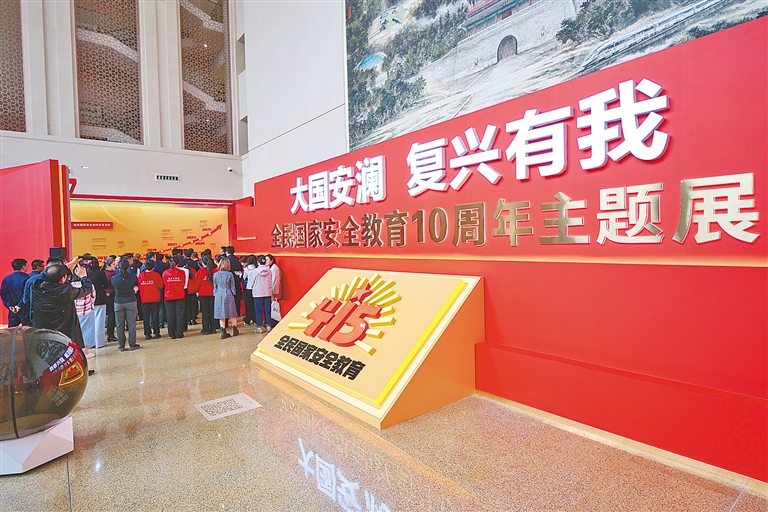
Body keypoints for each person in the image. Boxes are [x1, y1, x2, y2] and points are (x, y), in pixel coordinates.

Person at [30, 262, 95, 374]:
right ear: (62, 279)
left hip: (42, 326)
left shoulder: (35, 287)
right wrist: (84, 276)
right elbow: (87, 289)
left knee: (48, 353)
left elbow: (48, 276)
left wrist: (67, 265)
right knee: (69, 351)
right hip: (63, 326)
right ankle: (75, 372)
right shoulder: (65, 291)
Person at [111, 259, 140, 351]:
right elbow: (136, 285)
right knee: (131, 324)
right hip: (131, 301)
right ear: (128, 267)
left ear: (118, 267)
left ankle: (121, 346)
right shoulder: (133, 277)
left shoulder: (114, 278)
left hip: (118, 302)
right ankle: (132, 344)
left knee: (119, 325)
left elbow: (113, 287)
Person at [85, 255, 109, 349]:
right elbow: (106, 285)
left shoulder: (84, 274)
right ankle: (99, 342)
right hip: (100, 298)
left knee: (89, 323)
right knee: (99, 322)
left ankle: (89, 343)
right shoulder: (100, 273)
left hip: (87, 300)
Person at [138, 259, 163, 340]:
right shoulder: (156, 275)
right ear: (153, 267)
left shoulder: (141, 276)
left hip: (144, 298)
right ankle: (156, 332)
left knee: (146, 317)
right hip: (155, 297)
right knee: (155, 315)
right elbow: (160, 286)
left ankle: (147, 334)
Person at [213, 258, 238, 339]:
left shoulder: (215, 274)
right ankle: (234, 329)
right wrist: (234, 294)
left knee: (221, 314)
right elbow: (233, 287)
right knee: (232, 312)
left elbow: (215, 287)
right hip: (228, 293)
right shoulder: (230, 274)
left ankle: (223, 331)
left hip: (218, 294)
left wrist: (215, 294)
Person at [162, 256, 187, 339]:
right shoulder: (182, 272)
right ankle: (179, 333)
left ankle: (172, 333)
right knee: (180, 315)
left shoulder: (165, 273)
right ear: (178, 263)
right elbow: (183, 284)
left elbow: (164, 284)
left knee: (170, 315)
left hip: (168, 296)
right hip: (180, 295)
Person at [1, 258, 29, 326]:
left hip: (12, 310)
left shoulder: (6, 279)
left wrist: (10, 305)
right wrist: (19, 306)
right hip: (25, 309)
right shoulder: (27, 278)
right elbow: (26, 294)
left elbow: (3, 294)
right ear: (23, 267)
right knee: (27, 329)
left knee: (12, 329)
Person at [195, 255, 217, 335]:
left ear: (202, 263)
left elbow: (196, 283)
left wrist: (197, 291)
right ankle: (213, 328)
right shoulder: (214, 271)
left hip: (203, 294)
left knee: (205, 312)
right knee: (212, 311)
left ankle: (206, 329)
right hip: (213, 293)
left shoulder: (200, 272)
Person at [251, 255, 273, 334]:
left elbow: (251, 282)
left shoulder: (255, 271)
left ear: (258, 262)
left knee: (258, 310)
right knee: (267, 309)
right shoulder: (269, 271)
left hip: (257, 293)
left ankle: (259, 327)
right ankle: (268, 326)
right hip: (267, 292)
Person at [103, 256, 118, 341]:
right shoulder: (112, 275)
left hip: (105, 295)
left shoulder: (103, 273)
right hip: (111, 295)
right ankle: (110, 334)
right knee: (112, 314)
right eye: (113, 264)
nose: (115, 265)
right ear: (108, 265)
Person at [266, 254, 282, 328]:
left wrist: (274, 293)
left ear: (272, 260)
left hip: (274, 291)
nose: (266, 261)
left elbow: (275, 282)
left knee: (274, 307)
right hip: (270, 290)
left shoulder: (275, 269)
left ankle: (274, 322)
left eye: (267, 260)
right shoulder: (269, 268)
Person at [241, 255, 257, 325]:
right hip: (256, 288)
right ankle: (255, 319)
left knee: (248, 305)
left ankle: (248, 319)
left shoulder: (246, 268)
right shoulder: (257, 268)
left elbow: (244, 277)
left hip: (248, 288)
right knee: (255, 305)